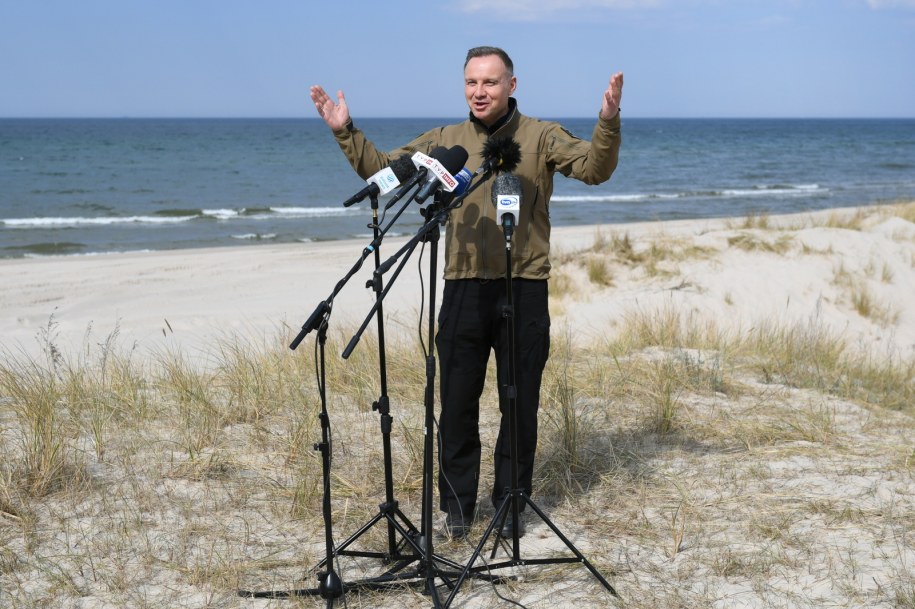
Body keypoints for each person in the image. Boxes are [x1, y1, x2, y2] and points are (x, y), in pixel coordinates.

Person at [310, 46, 623, 538]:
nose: (480, 92)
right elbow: (384, 171)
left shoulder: (542, 136)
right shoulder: (445, 141)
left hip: (523, 287)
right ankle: (457, 509)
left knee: (518, 403)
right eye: (472, 82)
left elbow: (594, 168)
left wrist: (607, 120)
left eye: (490, 82)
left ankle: (510, 505)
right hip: (461, 288)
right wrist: (344, 130)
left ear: (511, 86)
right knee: (456, 404)